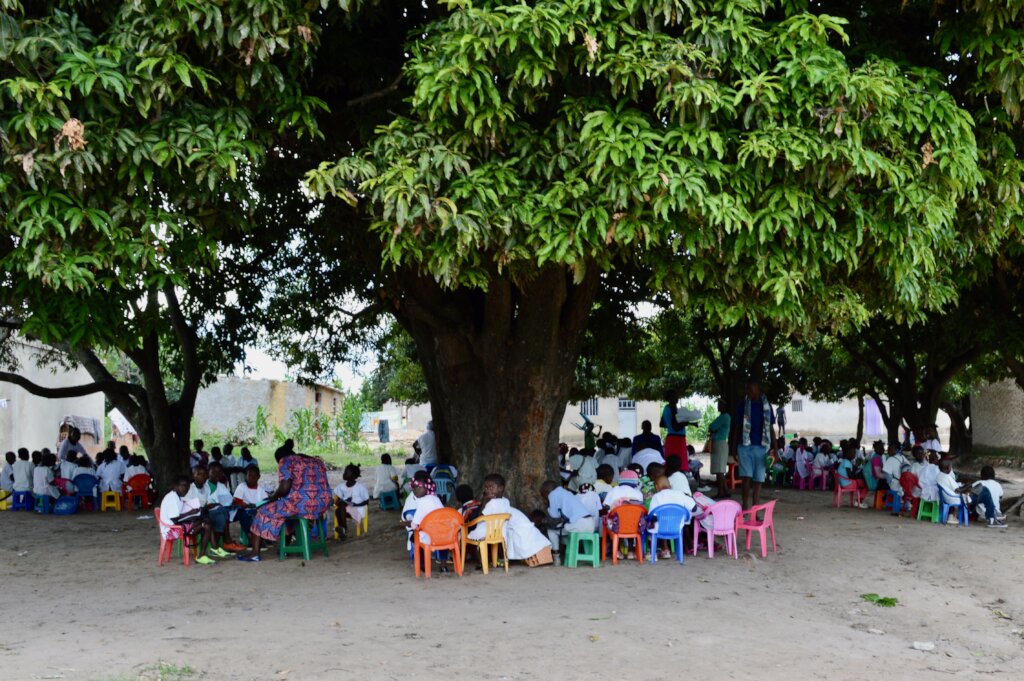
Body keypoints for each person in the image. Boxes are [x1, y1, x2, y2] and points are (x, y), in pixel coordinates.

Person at [238, 446, 333, 562]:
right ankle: (285, 548)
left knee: (262, 510)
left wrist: (273, 497)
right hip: (322, 503)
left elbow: (285, 487)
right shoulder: (317, 461)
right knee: (285, 513)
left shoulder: (286, 460)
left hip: (301, 504)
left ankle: (254, 553)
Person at [470, 474, 551, 563]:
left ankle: (483, 563)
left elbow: (481, 517)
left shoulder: (493, 503)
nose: (488, 489)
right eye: (486, 487)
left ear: (500, 488)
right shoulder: (504, 500)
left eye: (491, 487)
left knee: (474, 535)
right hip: (515, 525)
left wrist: (484, 502)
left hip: (517, 526)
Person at [735, 379, 775, 509]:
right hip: (745, 447)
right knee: (746, 478)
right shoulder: (742, 405)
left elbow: (771, 429)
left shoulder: (767, 406)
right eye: (747, 390)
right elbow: (737, 427)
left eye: (750, 390)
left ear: (758, 389)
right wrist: (733, 448)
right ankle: (746, 508)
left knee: (758, 480)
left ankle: (755, 510)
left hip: (762, 448)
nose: (748, 392)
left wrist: (776, 449)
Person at [159, 474, 216, 565]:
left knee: (205, 522)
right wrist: (191, 513)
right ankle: (203, 555)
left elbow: (179, 515)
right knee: (206, 525)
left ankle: (207, 551)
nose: (186, 488)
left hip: (177, 527)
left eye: (188, 486)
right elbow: (175, 519)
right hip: (172, 530)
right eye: (183, 486)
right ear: (176, 486)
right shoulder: (172, 498)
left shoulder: (177, 497)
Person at [539, 480, 596, 563]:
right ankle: (568, 551)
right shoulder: (566, 493)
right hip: (590, 524)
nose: (543, 498)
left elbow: (554, 518)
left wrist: (547, 506)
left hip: (579, 525)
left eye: (542, 495)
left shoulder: (552, 495)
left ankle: (556, 557)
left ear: (546, 492)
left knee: (551, 530)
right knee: (565, 529)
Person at [187, 464, 236, 554]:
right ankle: (220, 544)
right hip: (191, 517)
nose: (202, 476)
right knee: (218, 515)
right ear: (192, 475)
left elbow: (205, 503)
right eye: (198, 474)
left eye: (203, 474)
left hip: (203, 513)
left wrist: (209, 506)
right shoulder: (190, 489)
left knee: (221, 515)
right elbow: (193, 508)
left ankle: (216, 546)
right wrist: (207, 506)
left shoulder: (206, 488)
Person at [661, 389, 695, 472]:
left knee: (670, 465)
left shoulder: (666, 407)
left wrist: (671, 424)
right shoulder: (672, 408)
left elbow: (662, 424)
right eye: (675, 396)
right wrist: (687, 422)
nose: (677, 397)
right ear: (670, 398)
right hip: (677, 440)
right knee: (679, 466)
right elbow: (676, 427)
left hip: (671, 439)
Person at [334, 463, 370, 539]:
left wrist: (355, 504)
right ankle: (343, 529)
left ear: (353, 476)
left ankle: (343, 529)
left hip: (357, 511)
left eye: (347, 472)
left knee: (342, 505)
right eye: (344, 472)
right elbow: (336, 499)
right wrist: (338, 502)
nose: (344, 474)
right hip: (346, 510)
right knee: (338, 510)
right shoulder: (341, 486)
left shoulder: (360, 487)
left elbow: (367, 501)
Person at [232, 465, 268, 539]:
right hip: (244, 511)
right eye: (250, 475)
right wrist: (246, 505)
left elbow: (265, 502)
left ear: (258, 477)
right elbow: (237, 501)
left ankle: (263, 537)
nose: (252, 478)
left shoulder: (261, 490)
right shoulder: (242, 486)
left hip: (256, 510)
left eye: (254, 476)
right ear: (246, 476)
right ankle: (251, 537)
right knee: (247, 516)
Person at [707, 400, 731, 498]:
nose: (718, 407)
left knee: (719, 470)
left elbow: (711, 427)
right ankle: (725, 491)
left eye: (720, 405)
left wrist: (713, 430)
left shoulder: (723, 417)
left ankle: (721, 492)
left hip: (719, 443)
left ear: (725, 406)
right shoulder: (725, 417)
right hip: (721, 443)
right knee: (719, 469)